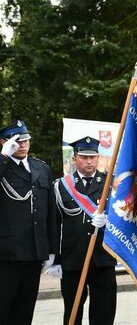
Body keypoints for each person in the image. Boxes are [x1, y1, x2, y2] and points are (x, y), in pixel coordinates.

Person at [50, 136, 116, 324]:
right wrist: (54, 258)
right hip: (73, 259)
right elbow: (55, 224)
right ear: (74, 158)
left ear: (98, 158)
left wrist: (108, 221)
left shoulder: (109, 185)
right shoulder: (61, 186)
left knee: (104, 312)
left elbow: (123, 219)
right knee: (72, 311)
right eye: (84, 157)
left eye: (93, 157)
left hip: (103, 258)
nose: (89, 161)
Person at [0, 120, 58, 325]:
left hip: (34, 251)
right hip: (7, 253)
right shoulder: (3, 165)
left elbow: (50, 211)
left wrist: (52, 250)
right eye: (17, 141)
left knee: (25, 311)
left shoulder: (41, 168)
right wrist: (4, 157)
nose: (22, 145)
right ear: (4, 142)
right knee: (3, 309)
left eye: (25, 140)